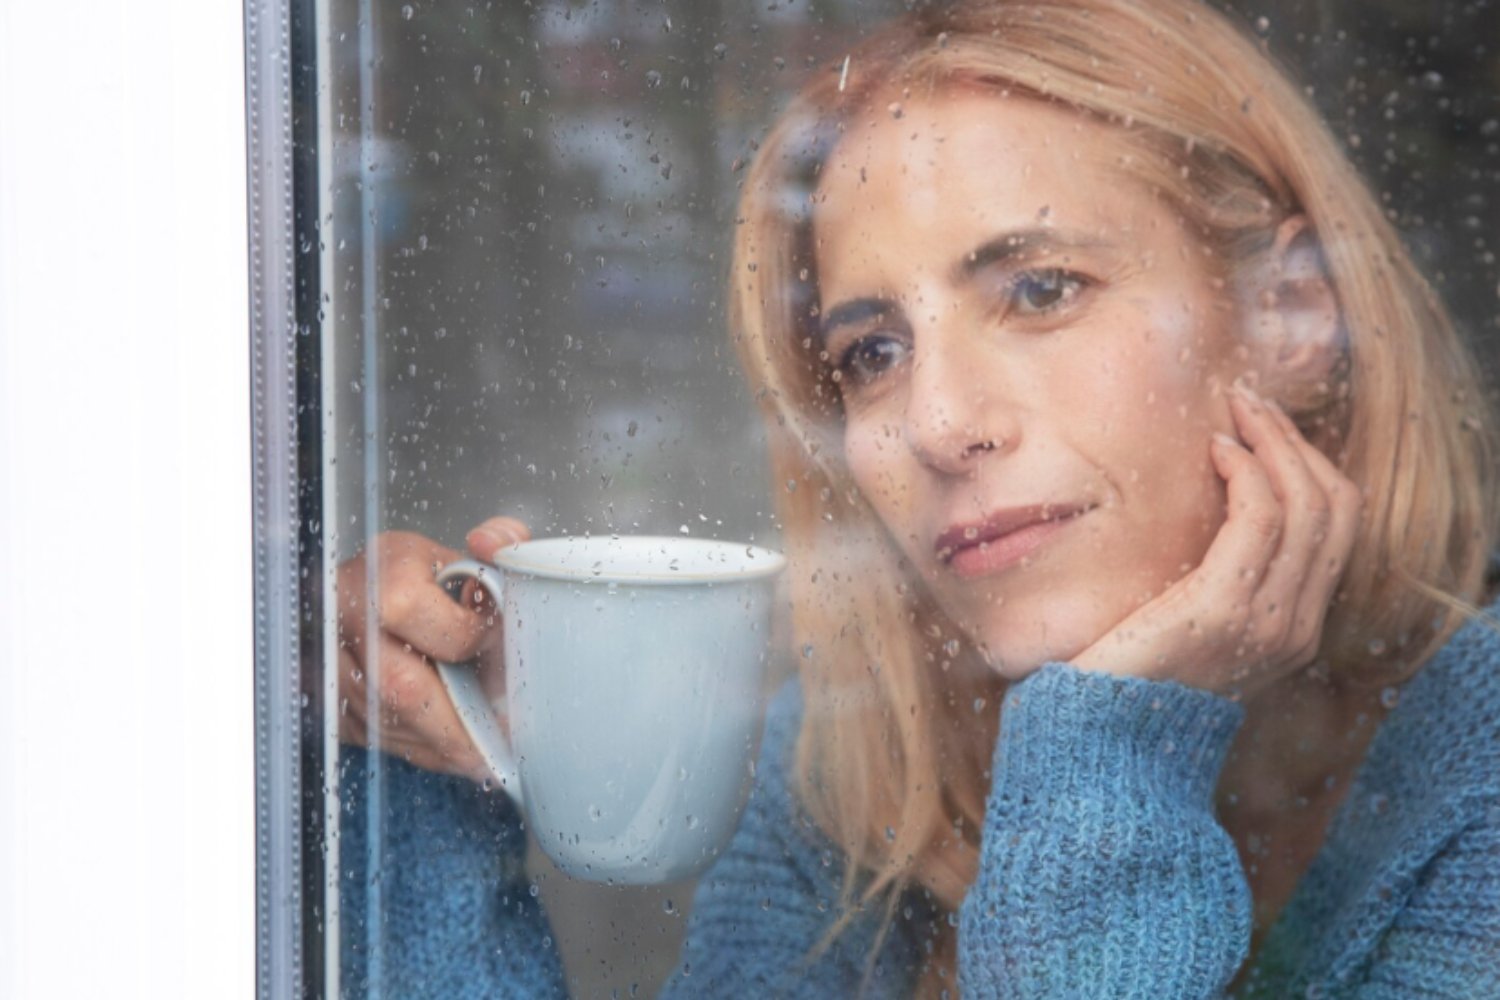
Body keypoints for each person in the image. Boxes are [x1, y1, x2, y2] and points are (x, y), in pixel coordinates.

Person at [336, 0, 1500, 996]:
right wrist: (434, 779)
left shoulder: (1479, 784)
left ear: (1289, 315)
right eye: (873, 354)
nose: (941, 426)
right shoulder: (850, 775)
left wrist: (1104, 761)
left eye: (1040, 290)